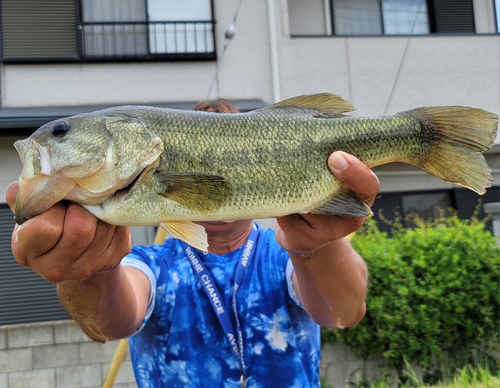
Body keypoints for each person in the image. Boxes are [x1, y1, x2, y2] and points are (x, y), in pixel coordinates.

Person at [6, 99, 380, 388]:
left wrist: (319, 246)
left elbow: (343, 314)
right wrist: (88, 270)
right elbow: (109, 324)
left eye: (60, 133)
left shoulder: (286, 253)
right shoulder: (151, 263)